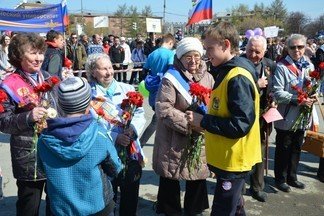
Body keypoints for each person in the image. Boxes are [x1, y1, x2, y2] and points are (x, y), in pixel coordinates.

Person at [186, 22, 261, 215]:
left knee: (222, 210)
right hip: (228, 158)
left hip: (234, 161)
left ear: (226, 44)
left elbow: (240, 124)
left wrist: (203, 121)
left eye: (210, 48)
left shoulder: (237, 76)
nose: (206, 54)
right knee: (235, 208)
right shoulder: (228, 70)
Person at [38, 76, 123, 215]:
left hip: (61, 209)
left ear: (60, 103)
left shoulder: (44, 140)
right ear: (88, 103)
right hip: (97, 206)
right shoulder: (99, 135)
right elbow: (115, 168)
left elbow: (42, 168)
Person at [0, 33, 59, 216]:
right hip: (28, 157)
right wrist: (28, 117)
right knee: (29, 207)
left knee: (56, 204)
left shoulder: (49, 78)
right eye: (33, 53)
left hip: (54, 152)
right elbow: (3, 123)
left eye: (40, 53)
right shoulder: (8, 85)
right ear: (18, 55)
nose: (39, 58)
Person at [153, 37, 213, 216]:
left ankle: (194, 210)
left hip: (199, 135)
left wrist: (204, 122)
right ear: (180, 57)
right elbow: (163, 108)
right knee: (170, 175)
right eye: (188, 57)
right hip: (173, 137)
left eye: (196, 55)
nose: (193, 60)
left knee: (197, 173)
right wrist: (189, 123)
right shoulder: (170, 78)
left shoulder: (208, 77)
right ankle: (169, 210)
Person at [86, 53, 146, 216]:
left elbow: (140, 114)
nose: (109, 72)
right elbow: (90, 125)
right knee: (108, 197)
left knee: (130, 195)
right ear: (93, 71)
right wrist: (114, 137)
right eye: (103, 68)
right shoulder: (89, 94)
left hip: (130, 150)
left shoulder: (127, 89)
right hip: (105, 154)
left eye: (110, 67)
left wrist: (132, 130)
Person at [272, 34, 316, 193]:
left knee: (297, 147)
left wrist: (313, 94)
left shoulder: (308, 65)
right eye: (293, 47)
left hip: (303, 116)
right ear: (287, 48)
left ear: (305, 48)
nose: (297, 50)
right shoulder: (282, 67)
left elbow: (313, 85)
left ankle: (292, 176)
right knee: (283, 149)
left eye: (300, 47)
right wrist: (298, 99)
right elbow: (277, 93)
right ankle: (280, 179)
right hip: (286, 116)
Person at [243, 35, 277, 202]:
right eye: (250, 50)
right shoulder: (238, 62)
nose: (253, 54)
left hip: (263, 116)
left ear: (264, 52)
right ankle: (239, 185)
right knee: (242, 150)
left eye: (257, 51)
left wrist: (274, 100)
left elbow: (274, 88)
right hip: (242, 116)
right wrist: (256, 85)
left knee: (260, 151)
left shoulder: (270, 65)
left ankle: (257, 187)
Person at [139, 33, 175, 147]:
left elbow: (144, 71)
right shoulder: (170, 54)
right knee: (158, 119)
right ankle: (141, 142)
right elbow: (170, 71)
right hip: (165, 89)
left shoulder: (152, 54)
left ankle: (148, 142)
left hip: (153, 90)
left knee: (159, 117)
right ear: (170, 43)